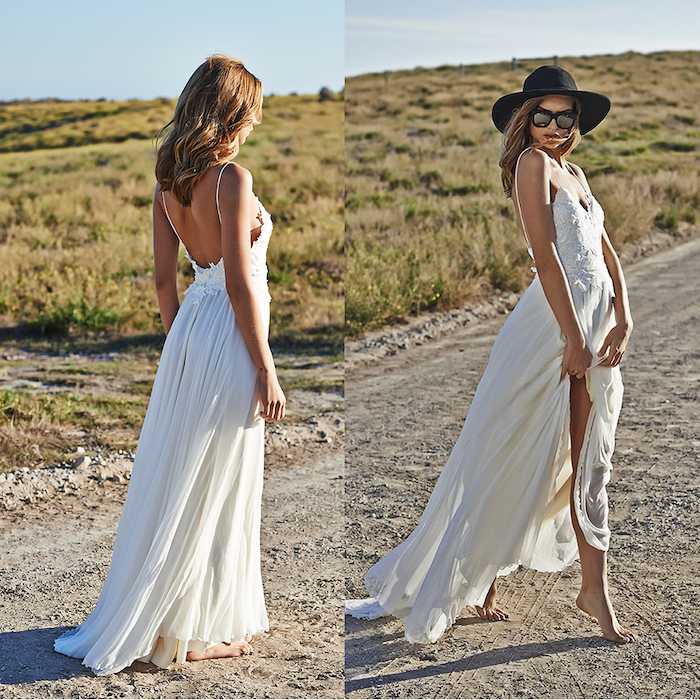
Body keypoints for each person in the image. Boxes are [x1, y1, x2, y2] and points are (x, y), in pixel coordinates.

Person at [346, 65, 635, 645]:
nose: (555, 125)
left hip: (596, 325)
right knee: (523, 453)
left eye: (565, 115)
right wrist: (574, 337)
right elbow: (546, 258)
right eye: (544, 115)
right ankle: (573, 589)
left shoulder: (574, 173)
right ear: (526, 121)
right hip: (555, 328)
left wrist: (624, 315)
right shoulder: (533, 166)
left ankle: (557, 584)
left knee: (585, 457)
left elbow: (608, 253)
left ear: (577, 121)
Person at [54, 55, 286, 675]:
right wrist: (264, 366)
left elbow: (164, 282)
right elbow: (240, 282)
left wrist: (181, 348)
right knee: (220, 476)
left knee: (188, 470)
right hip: (233, 333)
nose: (257, 121)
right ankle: (193, 632)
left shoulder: (169, 184)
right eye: (253, 108)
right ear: (235, 109)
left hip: (190, 333)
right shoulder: (231, 179)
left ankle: (177, 613)